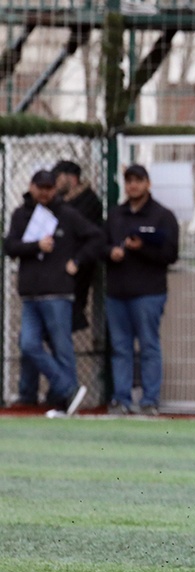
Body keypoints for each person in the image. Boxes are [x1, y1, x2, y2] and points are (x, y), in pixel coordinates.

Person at [3, 169, 102, 415]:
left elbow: (95, 237)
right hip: (30, 294)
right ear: (32, 187)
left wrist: (77, 261)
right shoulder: (20, 214)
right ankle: (66, 388)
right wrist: (36, 245)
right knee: (28, 345)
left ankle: (66, 399)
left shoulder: (67, 214)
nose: (45, 193)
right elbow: (11, 246)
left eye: (49, 188)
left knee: (62, 347)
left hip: (58, 293)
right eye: (41, 188)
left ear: (55, 189)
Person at [103, 164, 180, 415]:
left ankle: (149, 400)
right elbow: (100, 245)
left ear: (148, 183)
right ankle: (121, 399)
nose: (133, 185)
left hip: (149, 293)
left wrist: (142, 248)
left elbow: (170, 254)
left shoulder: (162, 216)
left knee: (148, 346)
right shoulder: (115, 215)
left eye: (138, 180)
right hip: (117, 292)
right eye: (129, 181)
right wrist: (111, 252)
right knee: (120, 349)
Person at [54, 159, 105, 331]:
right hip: (59, 268)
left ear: (72, 178)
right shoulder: (59, 201)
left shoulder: (88, 201)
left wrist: (78, 259)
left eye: (59, 177)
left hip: (77, 266)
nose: (55, 181)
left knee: (67, 316)